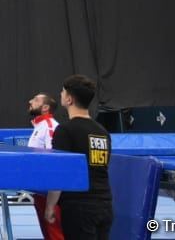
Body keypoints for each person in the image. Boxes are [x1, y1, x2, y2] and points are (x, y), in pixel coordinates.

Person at [46, 75, 112, 240]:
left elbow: (60, 173)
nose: (60, 94)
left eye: (62, 92)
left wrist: (50, 205)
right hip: (105, 205)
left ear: (69, 99)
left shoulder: (65, 130)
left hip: (79, 208)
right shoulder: (103, 132)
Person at [27, 93, 63, 240]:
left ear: (45, 107)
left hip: (50, 193)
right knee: (48, 234)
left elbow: (56, 162)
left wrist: (51, 201)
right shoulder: (39, 126)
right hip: (40, 190)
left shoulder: (50, 126)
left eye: (35, 100)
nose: (30, 101)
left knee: (56, 234)